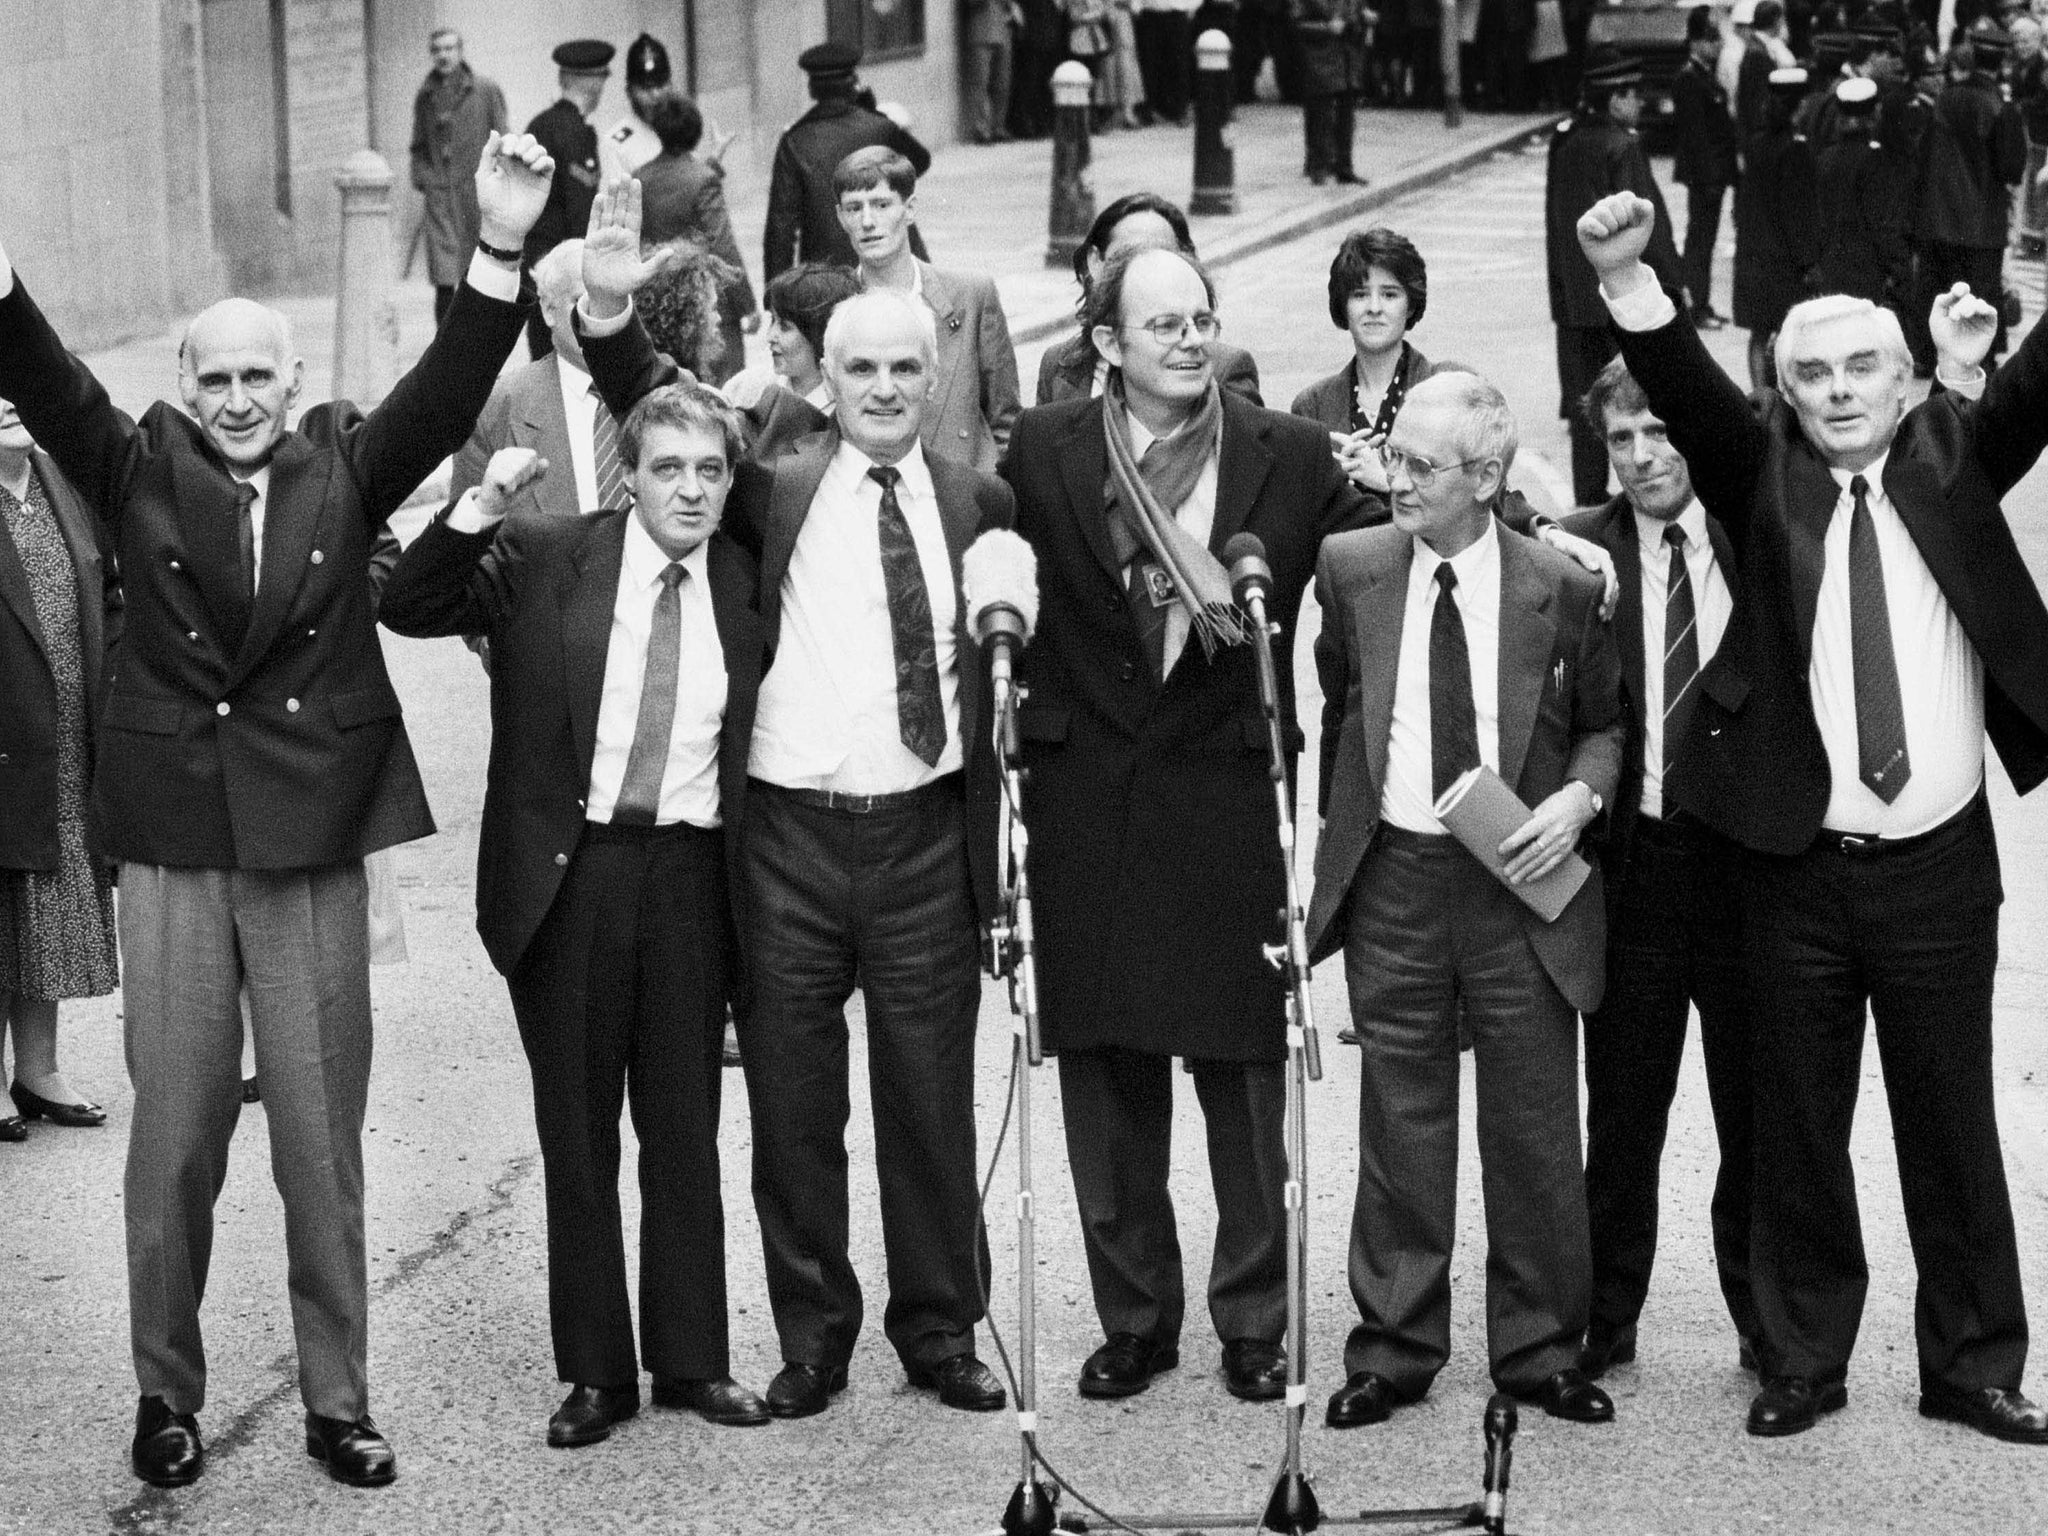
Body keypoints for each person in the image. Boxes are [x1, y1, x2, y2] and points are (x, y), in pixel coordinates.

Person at [0, 131, 553, 1490]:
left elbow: (446, 386)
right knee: (174, 1143)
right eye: (218, 377)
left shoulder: (341, 471)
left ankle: (337, 1400)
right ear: (182, 388)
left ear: (294, 382)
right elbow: (45, 376)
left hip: (310, 847)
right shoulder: (134, 470)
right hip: (179, 852)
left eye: (262, 375)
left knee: (321, 1146)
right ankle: (164, 1395)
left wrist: (495, 248)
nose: (242, 398)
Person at [1578, 189, 2048, 1445]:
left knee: (1950, 1120)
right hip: (1792, 868)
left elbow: (2036, 383)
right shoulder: (1755, 482)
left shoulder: (1954, 464)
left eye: (1861, 369)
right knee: (1794, 1126)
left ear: (1905, 385)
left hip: (1938, 867)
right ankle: (1799, 1356)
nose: (1838, 391)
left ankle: (1970, 1360)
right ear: (1783, 394)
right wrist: (1631, 281)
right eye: (1811, 374)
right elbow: (1678, 383)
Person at [574, 187, 1014, 1421]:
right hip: (787, 843)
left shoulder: (979, 506)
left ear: (934, 378)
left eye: (903, 369)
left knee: (928, 1098)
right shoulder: (772, 484)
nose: (882, 387)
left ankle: (940, 1331)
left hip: (925, 838)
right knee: (793, 1104)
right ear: (822, 375)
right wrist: (607, 306)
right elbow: (653, 388)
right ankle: (813, 1335)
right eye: (858, 367)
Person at [1000, 246, 1367, 1403]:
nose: (1186, 339)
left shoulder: (1287, 454)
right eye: (1159, 325)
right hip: (1086, 798)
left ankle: (1253, 1322)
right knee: (1107, 1077)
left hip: (1222, 787)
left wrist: (1544, 533)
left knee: (1242, 1072)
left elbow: (1406, 524)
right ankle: (1134, 1319)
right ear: (1105, 344)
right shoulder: (1045, 446)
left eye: (1199, 319)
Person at [380, 385, 771, 1448]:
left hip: (692, 879)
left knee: (686, 1128)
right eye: (667, 470)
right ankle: (597, 1372)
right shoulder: (550, 554)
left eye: (709, 472)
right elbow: (407, 604)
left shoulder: (744, 584)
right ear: (629, 479)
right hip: (571, 878)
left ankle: (691, 1359)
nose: (689, 490)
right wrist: (478, 504)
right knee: (578, 1133)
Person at [1306, 371, 1624, 1431]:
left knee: (1532, 1125)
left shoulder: (1559, 587)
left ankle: (1538, 1351)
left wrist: (1578, 800)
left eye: (1420, 466)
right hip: (1395, 876)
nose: (1392, 479)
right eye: (1392, 456)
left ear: (1486, 477)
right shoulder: (1349, 568)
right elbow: (1342, 703)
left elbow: (1605, 724)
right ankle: (1393, 1348)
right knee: (1400, 1120)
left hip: (1518, 883)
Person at [1559, 358, 1756, 1383]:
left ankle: (1767, 1322)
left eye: (1656, 433)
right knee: (1623, 1110)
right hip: (1632, 871)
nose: (1639, 458)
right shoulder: (1578, 551)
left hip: (1742, 872)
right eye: (1619, 440)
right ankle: (1603, 1315)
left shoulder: (1755, 531)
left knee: (1756, 1110)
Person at [0, 398, 117, 1142]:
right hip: (6, 732)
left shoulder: (60, 479)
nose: (9, 401)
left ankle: (37, 1070)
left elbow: (111, 594)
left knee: (47, 903)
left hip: (69, 734)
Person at [1546, 48, 1683, 506]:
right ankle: (1640, 494)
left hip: (1572, 302)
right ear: (1613, 99)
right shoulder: (1622, 146)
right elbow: (1649, 226)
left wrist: (1561, 294)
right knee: (1631, 401)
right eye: (1631, 94)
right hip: (1615, 296)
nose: (1639, 103)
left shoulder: (1563, 140)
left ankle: (1588, 500)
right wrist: (1670, 286)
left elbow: (1555, 226)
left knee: (1587, 405)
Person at [834, 147, 1021, 473]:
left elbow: (1006, 419)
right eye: (854, 208)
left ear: (909, 209)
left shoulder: (970, 296)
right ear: (840, 217)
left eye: (881, 205)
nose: (867, 221)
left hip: (965, 495)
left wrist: (996, 495)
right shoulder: (835, 307)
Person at [1036, 193, 1263, 406]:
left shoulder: (1225, 368)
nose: (1142, 270)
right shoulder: (1059, 365)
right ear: (1096, 261)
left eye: (1160, 257)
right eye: (1125, 256)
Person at [1290, 227, 1453, 522]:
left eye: (1389, 294)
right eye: (1360, 294)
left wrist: (1387, 480)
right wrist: (1328, 484)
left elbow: (1475, 501)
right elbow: (1300, 520)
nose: (1374, 308)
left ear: (1411, 304)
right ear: (1344, 305)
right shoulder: (1312, 405)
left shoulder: (1448, 388)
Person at [448, 240, 617, 525]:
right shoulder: (496, 407)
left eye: (613, 299)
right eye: (583, 301)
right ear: (549, 310)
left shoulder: (664, 391)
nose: (598, 315)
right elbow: (464, 541)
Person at [763, 43, 932, 283]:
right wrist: (872, 111)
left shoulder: (795, 140)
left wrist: (776, 295)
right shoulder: (879, 127)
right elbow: (921, 161)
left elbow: (781, 226)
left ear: (812, 90)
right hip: (892, 263)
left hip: (828, 276)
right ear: (853, 84)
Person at [1915, 32, 2026, 364]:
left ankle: (1928, 356)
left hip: (1938, 218)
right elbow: (2011, 169)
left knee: (1941, 295)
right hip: (1981, 223)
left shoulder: (1944, 99)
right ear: (2002, 63)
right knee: (1980, 304)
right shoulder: (2001, 108)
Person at [637, 91, 757, 387]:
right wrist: (747, 304)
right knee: (724, 387)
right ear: (696, 132)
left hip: (659, 302)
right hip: (706, 300)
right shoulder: (703, 179)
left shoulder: (640, 176)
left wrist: (712, 163)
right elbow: (721, 242)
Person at [409, 27, 508, 326]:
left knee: (477, 271)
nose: (443, 55)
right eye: (437, 49)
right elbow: (418, 146)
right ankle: (444, 346)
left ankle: (475, 342)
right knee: (443, 278)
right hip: (440, 197)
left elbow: (501, 136)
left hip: (475, 193)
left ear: (460, 51)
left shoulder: (485, 89)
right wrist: (425, 178)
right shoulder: (426, 95)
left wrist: (496, 179)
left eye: (449, 48)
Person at [523, 39, 615, 359]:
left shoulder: (539, 124)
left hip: (536, 263)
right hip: (564, 271)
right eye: (602, 78)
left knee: (543, 357)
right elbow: (580, 213)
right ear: (592, 83)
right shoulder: (576, 134)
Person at [1733, 67, 1819, 388]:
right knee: (1788, 332)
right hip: (1783, 257)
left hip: (1754, 250)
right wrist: (1808, 260)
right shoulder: (1796, 148)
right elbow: (1798, 211)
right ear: (1799, 104)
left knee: (1758, 333)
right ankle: (1784, 394)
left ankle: (1759, 396)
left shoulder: (1755, 143)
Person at [1814, 77, 1914, 308]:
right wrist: (1899, 270)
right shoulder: (1876, 161)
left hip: (1829, 267)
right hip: (1866, 271)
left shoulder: (1824, 158)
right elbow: (1882, 222)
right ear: (1873, 115)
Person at [1670, 6, 1741, 328]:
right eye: (1711, 40)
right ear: (1696, 42)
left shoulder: (1704, 74)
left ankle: (1703, 302)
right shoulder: (1688, 79)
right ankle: (1695, 307)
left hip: (1713, 174)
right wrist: (1712, 176)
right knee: (1699, 244)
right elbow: (1697, 136)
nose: (1717, 47)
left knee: (1706, 241)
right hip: (1703, 176)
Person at [1295, 0, 1368, 185]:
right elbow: (1297, 23)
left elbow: (1355, 16)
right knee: (1321, 115)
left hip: (1346, 56)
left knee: (1346, 116)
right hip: (1319, 58)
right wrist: (1327, 28)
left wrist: (1361, 19)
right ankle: (1319, 166)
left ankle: (1344, 167)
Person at [602, 33, 674, 180]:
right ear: (629, 92)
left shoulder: (680, 129)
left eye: (661, 84)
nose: (655, 94)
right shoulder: (616, 145)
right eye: (646, 88)